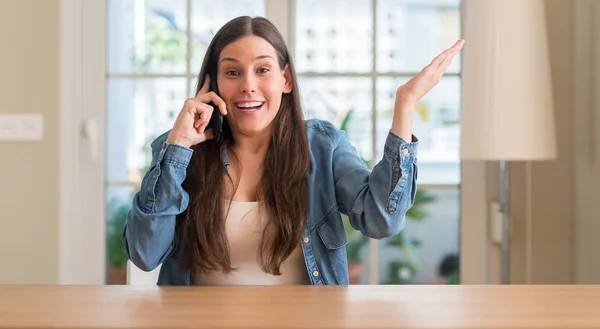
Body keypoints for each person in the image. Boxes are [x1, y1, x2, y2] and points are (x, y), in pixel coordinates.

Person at [122, 15, 464, 285]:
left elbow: (382, 220)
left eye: (262, 69)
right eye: (232, 72)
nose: (248, 86)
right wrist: (178, 148)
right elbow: (144, 254)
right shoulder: (179, 153)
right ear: (212, 83)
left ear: (285, 79)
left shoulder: (323, 146)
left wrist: (405, 103)